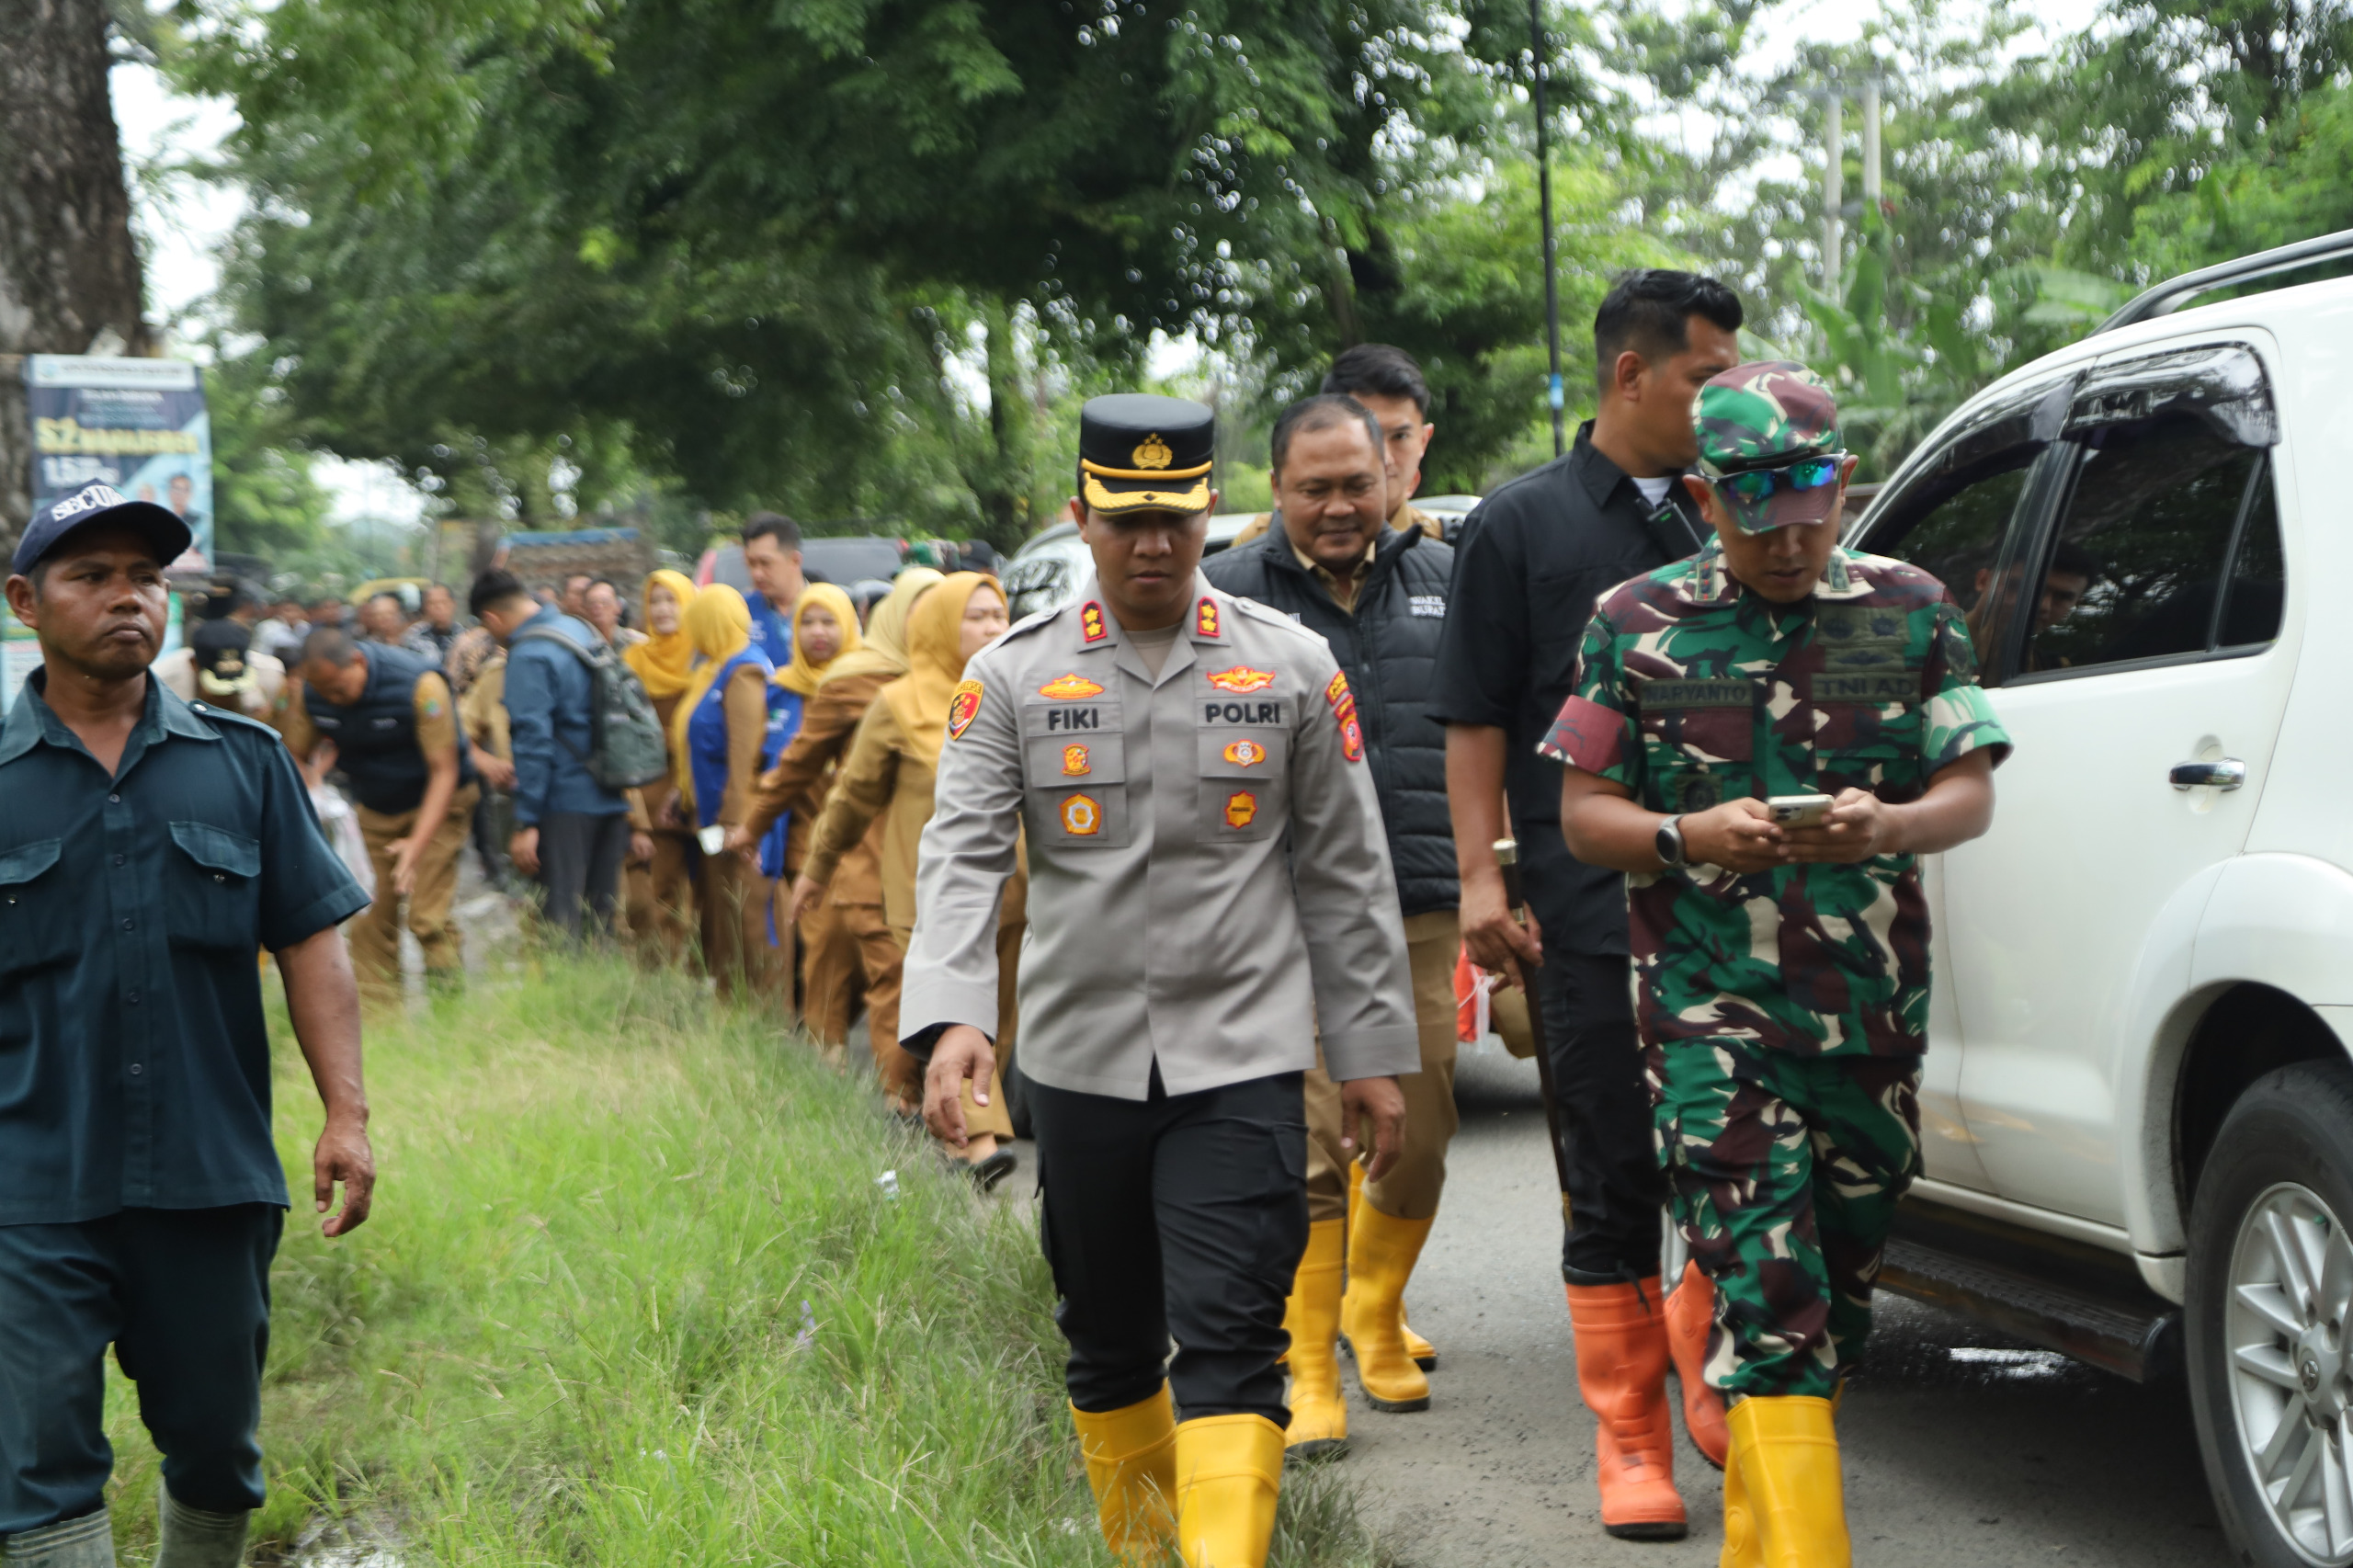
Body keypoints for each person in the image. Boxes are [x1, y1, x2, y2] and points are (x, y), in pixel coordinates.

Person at [902, 395, 1418, 1568]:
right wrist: (952, 1023)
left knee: (1235, 1333)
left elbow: (1345, 871)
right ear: (1082, 518)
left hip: (1241, 1052)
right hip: (1079, 1061)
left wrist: (1377, 1056)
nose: (1152, 545)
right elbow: (963, 853)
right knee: (1109, 1333)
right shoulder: (1011, 675)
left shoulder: (1289, 664)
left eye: (1175, 521)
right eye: (1126, 520)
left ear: (1207, 516)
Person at [1546, 362, 2009, 1562]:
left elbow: (1969, 789)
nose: (1787, 541)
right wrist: (1681, 836)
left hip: (1867, 1021)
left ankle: (1766, 1533)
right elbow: (1582, 812)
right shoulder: (1631, 622)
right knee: (1773, 1304)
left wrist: (1890, 823)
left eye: (1808, 510)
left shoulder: (1911, 607)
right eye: (1756, 516)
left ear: (1841, 483)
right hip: (1711, 1019)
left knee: (1837, 1305)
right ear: (1707, 496)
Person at [0, 483, 373, 1568]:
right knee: (36, 1468)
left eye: (147, 577)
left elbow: (314, 943)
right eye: (93, 575)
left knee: (217, 1451)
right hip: (27, 1186)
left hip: (209, 1179)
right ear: (27, 599)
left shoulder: (243, 762)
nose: (129, 598)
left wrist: (345, 1112)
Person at [1428, 267, 1745, 1535]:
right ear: (1632, 374)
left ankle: (1709, 1338)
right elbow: (1471, 717)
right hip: (1584, 909)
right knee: (1610, 1170)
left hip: (1740, 910)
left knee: (1746, 1159)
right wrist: (1478, 877)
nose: (1726, 401)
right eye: (1705, 377)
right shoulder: (1520, 525)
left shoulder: (1745, 514)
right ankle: (1629, 1438)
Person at [1201, 392, 1459, 1459]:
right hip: (1283, 913)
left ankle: (1371, 1304)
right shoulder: (1225, 596)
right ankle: (1307, 1365)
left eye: (1359, 481)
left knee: (1424, 1128)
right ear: (1278, 491)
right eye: (1316, 488)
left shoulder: (1447, 580)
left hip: (1422, 904)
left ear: (1389, 474)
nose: (1341, 505)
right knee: (1311, 1139)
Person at [794, 574, 1022, 1181]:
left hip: (1015, 899)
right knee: (955, 1013)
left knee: (998, 1021)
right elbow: (851, 797)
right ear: (939, 625)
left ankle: (947, 1118)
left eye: (1000, 614)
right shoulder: (897, 705)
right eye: (975, 617)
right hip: (928, 899)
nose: (994, 628)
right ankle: (976, 1144)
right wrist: (816, 870)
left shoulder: (1023, 693)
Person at [739, 568, 944, 1099]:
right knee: (877, 975)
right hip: (863, 852)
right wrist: (754, 826)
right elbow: (796, 764)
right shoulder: (858, 681)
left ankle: (950, 1109)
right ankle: (897, 1106)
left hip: (946, 857)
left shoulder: (967, 677)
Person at [282, 628, 482, 999]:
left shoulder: (419, 685)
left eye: (339, 690)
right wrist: (312, 794)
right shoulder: (314, 692)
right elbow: (294, 753)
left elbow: (445, 771)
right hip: (374, 807)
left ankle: (450, 1012)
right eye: (325, 693)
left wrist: (415, 846)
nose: (333, 701)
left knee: (427, 917)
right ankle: (379, 1029)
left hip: (438, 801)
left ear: (358, 661)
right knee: (368, 919)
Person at [470, 569, 634, 937]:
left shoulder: (529, 653)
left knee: (562, 927)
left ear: (491, 618)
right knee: (601, 925)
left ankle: (576, 996)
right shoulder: (579, 630)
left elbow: (532, 741)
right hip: (610, 794)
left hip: (564, 807)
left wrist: (526, 821)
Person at [673, 585, 797, 1003]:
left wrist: (737, 823)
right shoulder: (715, 670)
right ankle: (736, 1015)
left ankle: (768, 1022)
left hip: (740, 825)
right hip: (713, 821)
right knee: (728, 923)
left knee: (752, 920)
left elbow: (745, 755)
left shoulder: (744, 671)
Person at [1230, 343, 1446, 551]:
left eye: (1400, 436)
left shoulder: (1449, 550)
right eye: (1368, 436)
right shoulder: (1258, 545)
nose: (1385, 457)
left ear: (1423, 440)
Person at [766, 582, 860, 1017]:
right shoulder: (779, 689)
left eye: (828, 621)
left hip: (857, 839)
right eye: (807, 622)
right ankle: (827, 1040)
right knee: (821, 939)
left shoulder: (865, 688)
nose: (818, 632)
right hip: (799, 836)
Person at [620, 570, 702, 966]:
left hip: (702, 792)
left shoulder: (705, 657)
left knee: (712, 897)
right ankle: (664, 994)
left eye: (672, 599)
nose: (664, 609)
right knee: (658, 895)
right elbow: (621, 735)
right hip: (651, 796)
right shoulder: (633, 660)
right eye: (655, 601)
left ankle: (714, 982)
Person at [742, 511, 807, 663]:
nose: (757, 574)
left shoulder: (826, 609)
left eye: (765, 563)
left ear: (795, 561)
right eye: (751, 563)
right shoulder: (741, 610)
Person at [402, 582, 463, 664]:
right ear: (425, 607)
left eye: (443, 602)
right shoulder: (414, 636)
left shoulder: (464, 635)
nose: (439, 607)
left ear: (453, 604)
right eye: (432, 603)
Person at [584, 578, 646, 651]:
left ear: (618, 607)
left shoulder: (638, 643)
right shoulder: (581, 643)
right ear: (585, 609)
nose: (598, 607)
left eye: (604, 602)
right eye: (592, 603)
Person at [255, 596, 309, 663]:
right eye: (287, 611)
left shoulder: (305, 627)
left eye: (296, 611)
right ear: (278, 611)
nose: (292, 615)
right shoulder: (267, 627)